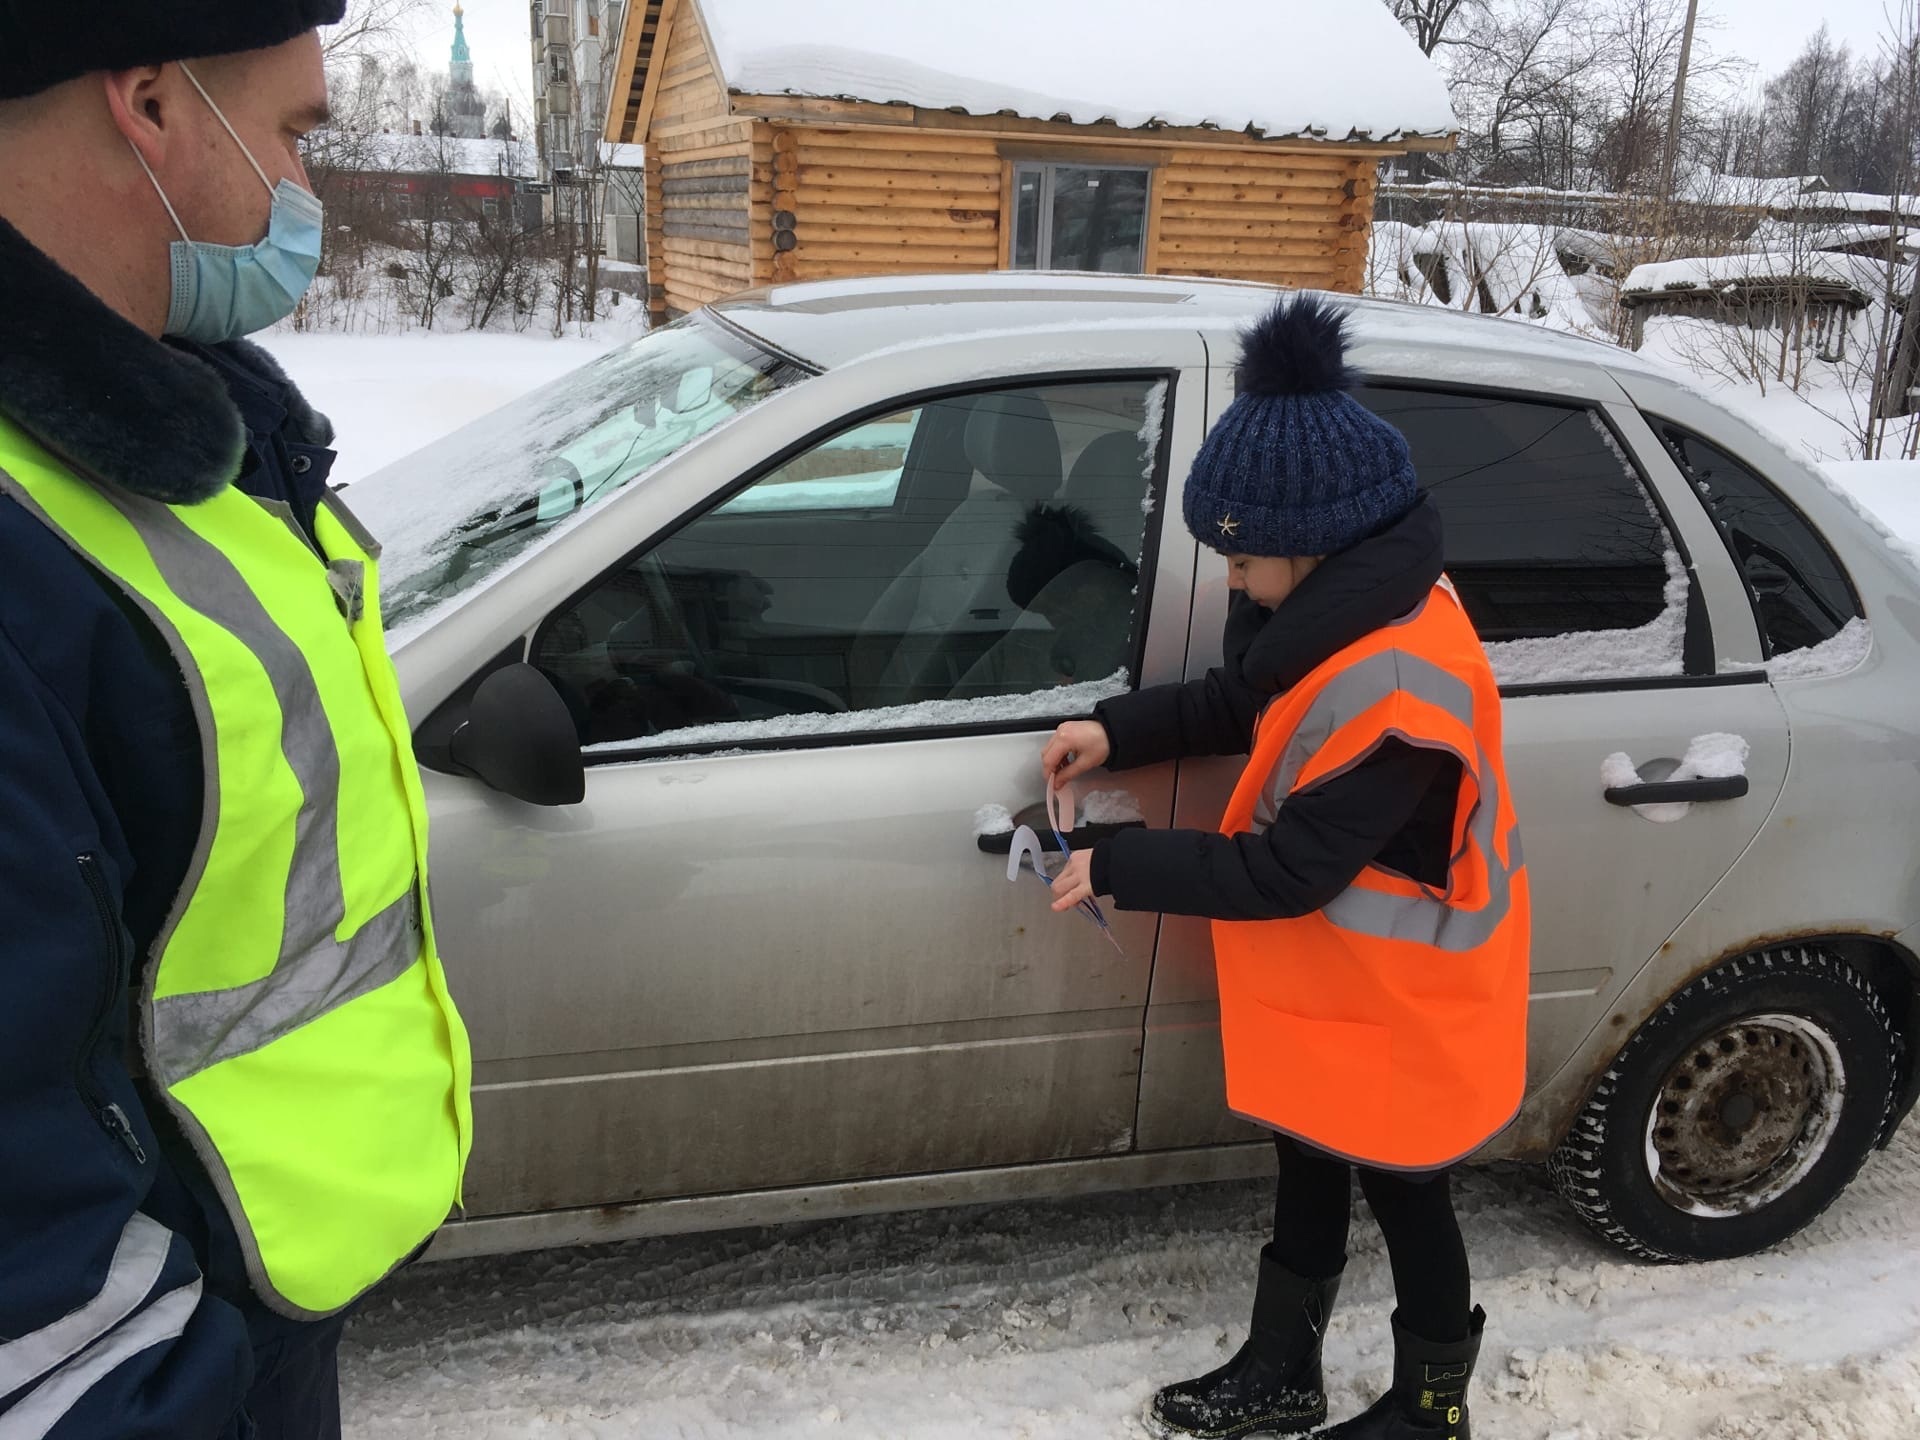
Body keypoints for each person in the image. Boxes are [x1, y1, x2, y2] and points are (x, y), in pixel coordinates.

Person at [0, 8, 472, 1437]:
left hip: (248, 1304)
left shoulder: (184, 439)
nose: (307, 191)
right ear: (148, 103)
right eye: (292, 133)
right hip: (158, 1375)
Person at [1042, 295, 1529, 1439]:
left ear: (1313, 548)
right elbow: (1245, 700)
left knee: (1408, 1190)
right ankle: (1283, 1365)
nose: (1235, 580)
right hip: (1333, 987)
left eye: (1246, 558)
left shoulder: (1402, 681)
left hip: (1405, 999)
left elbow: (1288, 872)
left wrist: (1120, 862)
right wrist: (1123, 731)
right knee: (1307, 1153)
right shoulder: (1337, 614)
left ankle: (1430, 1405)